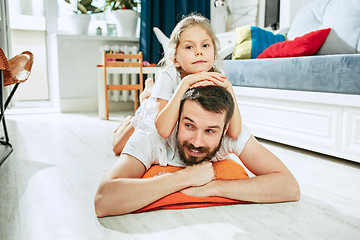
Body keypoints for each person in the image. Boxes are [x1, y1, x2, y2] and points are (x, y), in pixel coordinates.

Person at [95, 86, 300, 217]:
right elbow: (104, 200)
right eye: (189, 126)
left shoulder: (232, 134)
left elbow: (289, 187)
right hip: (146, 116)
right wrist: (184, 177)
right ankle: (146, 97)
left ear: (225, 129)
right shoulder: (153, 135)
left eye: (210, 131)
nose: (197, 142)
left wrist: (214, 187)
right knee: (118, 144)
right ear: (177, 118)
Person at [112, 14, 242, 155]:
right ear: (175, 60)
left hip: (171, 114)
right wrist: (186, 83)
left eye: (205, 45)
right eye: (189, 47)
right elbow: (163, 130)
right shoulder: (169, 75)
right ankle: (142, 104)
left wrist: (229, 89)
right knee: (118, 147)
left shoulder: (218, 76)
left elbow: (234, 133)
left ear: (214, 54)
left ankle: (149, 92)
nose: (199, 52)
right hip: (153, 113)